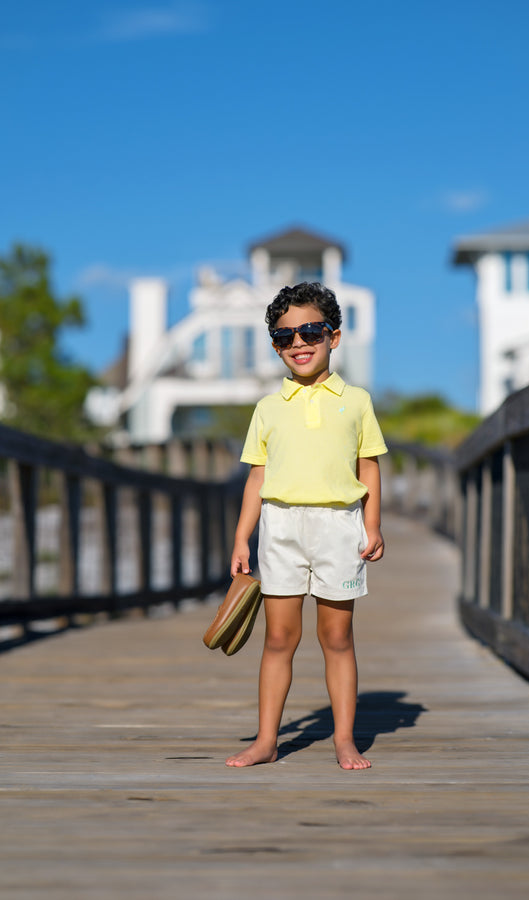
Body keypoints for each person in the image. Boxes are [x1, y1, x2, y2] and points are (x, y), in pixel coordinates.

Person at [227, 281, 387, 770]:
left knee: (336, 639)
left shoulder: (356, 401)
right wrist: (241, 536)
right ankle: (267, 740)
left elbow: (369, 466)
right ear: (276, 345)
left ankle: (343, 738)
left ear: (333, 337)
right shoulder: (268, 409)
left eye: (310, 331)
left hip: (339, 526)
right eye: (284, 337)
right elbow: (258, 475)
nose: (298, 343)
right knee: (279, 639)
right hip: (280, 528)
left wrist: (373, 524)